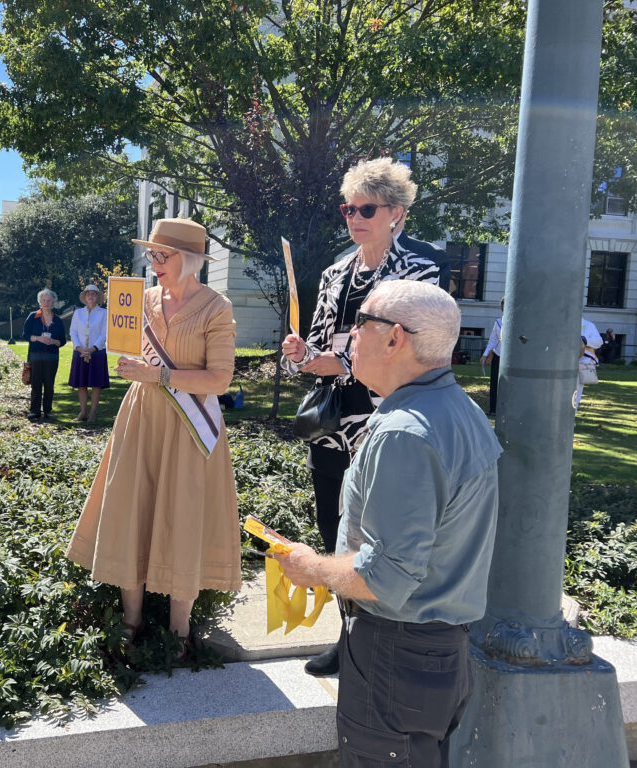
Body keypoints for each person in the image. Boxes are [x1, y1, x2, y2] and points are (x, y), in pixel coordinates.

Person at [275, 280, 502, 768]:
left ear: (395, 338)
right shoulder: (460, 409)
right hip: (440, 653)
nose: (350, 336)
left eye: (360, 324)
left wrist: (311, 566)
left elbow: (384, 579)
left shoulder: (404, 432)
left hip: (395, 654)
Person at [281, 157, 440, 676]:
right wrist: (299, 355)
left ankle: (385, 640)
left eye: (366, 208)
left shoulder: (420, 267)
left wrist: (338, 360)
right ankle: (348, 637)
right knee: (335, 526)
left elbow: (410, 340)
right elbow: (322, 346)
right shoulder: (333, 273)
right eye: (348, 208)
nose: (354, 218)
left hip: (388, 418)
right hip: (335, 420)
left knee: (382, 533)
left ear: (396, 212)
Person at [67, 218, 241, 658]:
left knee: (183, 517)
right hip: (142, 418)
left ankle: (179, 633)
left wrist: (159, 374)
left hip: (189, 427)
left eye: (161, 256)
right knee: (133, 509)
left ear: (189, 259)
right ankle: (132, 620)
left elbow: (220, 380)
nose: (154, 263)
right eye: (152, 255)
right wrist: (127, 364)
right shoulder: (140, 300)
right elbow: (127, 350)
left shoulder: (216, 307)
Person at [68, 284, 110, 422]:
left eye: (93, 294)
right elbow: (73, 332)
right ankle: (83, 412)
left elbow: (105, 333)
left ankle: (92, 413)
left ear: (98, 297)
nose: (90, 296)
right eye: (88, 294)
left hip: (97, 353)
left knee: (96, 383)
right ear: (84, 297)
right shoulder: (78, 313)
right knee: (81, 384)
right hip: (79, 352)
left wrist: (92, 349)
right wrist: (79, 348)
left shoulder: (104, 313)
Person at [23, 289, 67, 420]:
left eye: (49, 300)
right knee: (35, 383)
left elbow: (63, 341)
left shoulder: (58, 320)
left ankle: (48, 411)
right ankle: (34, 411)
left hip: (52, 356)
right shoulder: (33, 316)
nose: (46, 303)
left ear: (53, 302)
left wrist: (53, 341)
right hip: (35, 354)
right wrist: (38, 338)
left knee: (49, 384)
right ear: (40, 302)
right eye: (44, 300)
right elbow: (25, 335)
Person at [480, 298, 504, 416]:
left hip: (510, 358)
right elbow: (493, 339)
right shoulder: (499, 322)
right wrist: (486, 354)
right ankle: (493, 409)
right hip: (498, 355)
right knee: (494, 383)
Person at [574, 316, 602, 409]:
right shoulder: (561, 322)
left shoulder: (588, 325)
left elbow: (599, 342)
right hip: (563, 361)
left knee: (577, 390)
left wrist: (586, 340)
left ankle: (571, 417)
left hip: (582, 362)